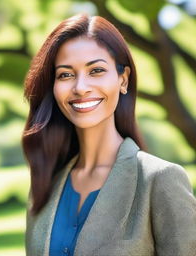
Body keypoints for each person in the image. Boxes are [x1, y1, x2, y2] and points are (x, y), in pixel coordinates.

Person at [22, 13, 196, 256]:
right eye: (65, 74)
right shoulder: (44, 186)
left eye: (96, 70)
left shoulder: (160, 180)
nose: (80, 87)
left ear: (123, 80)